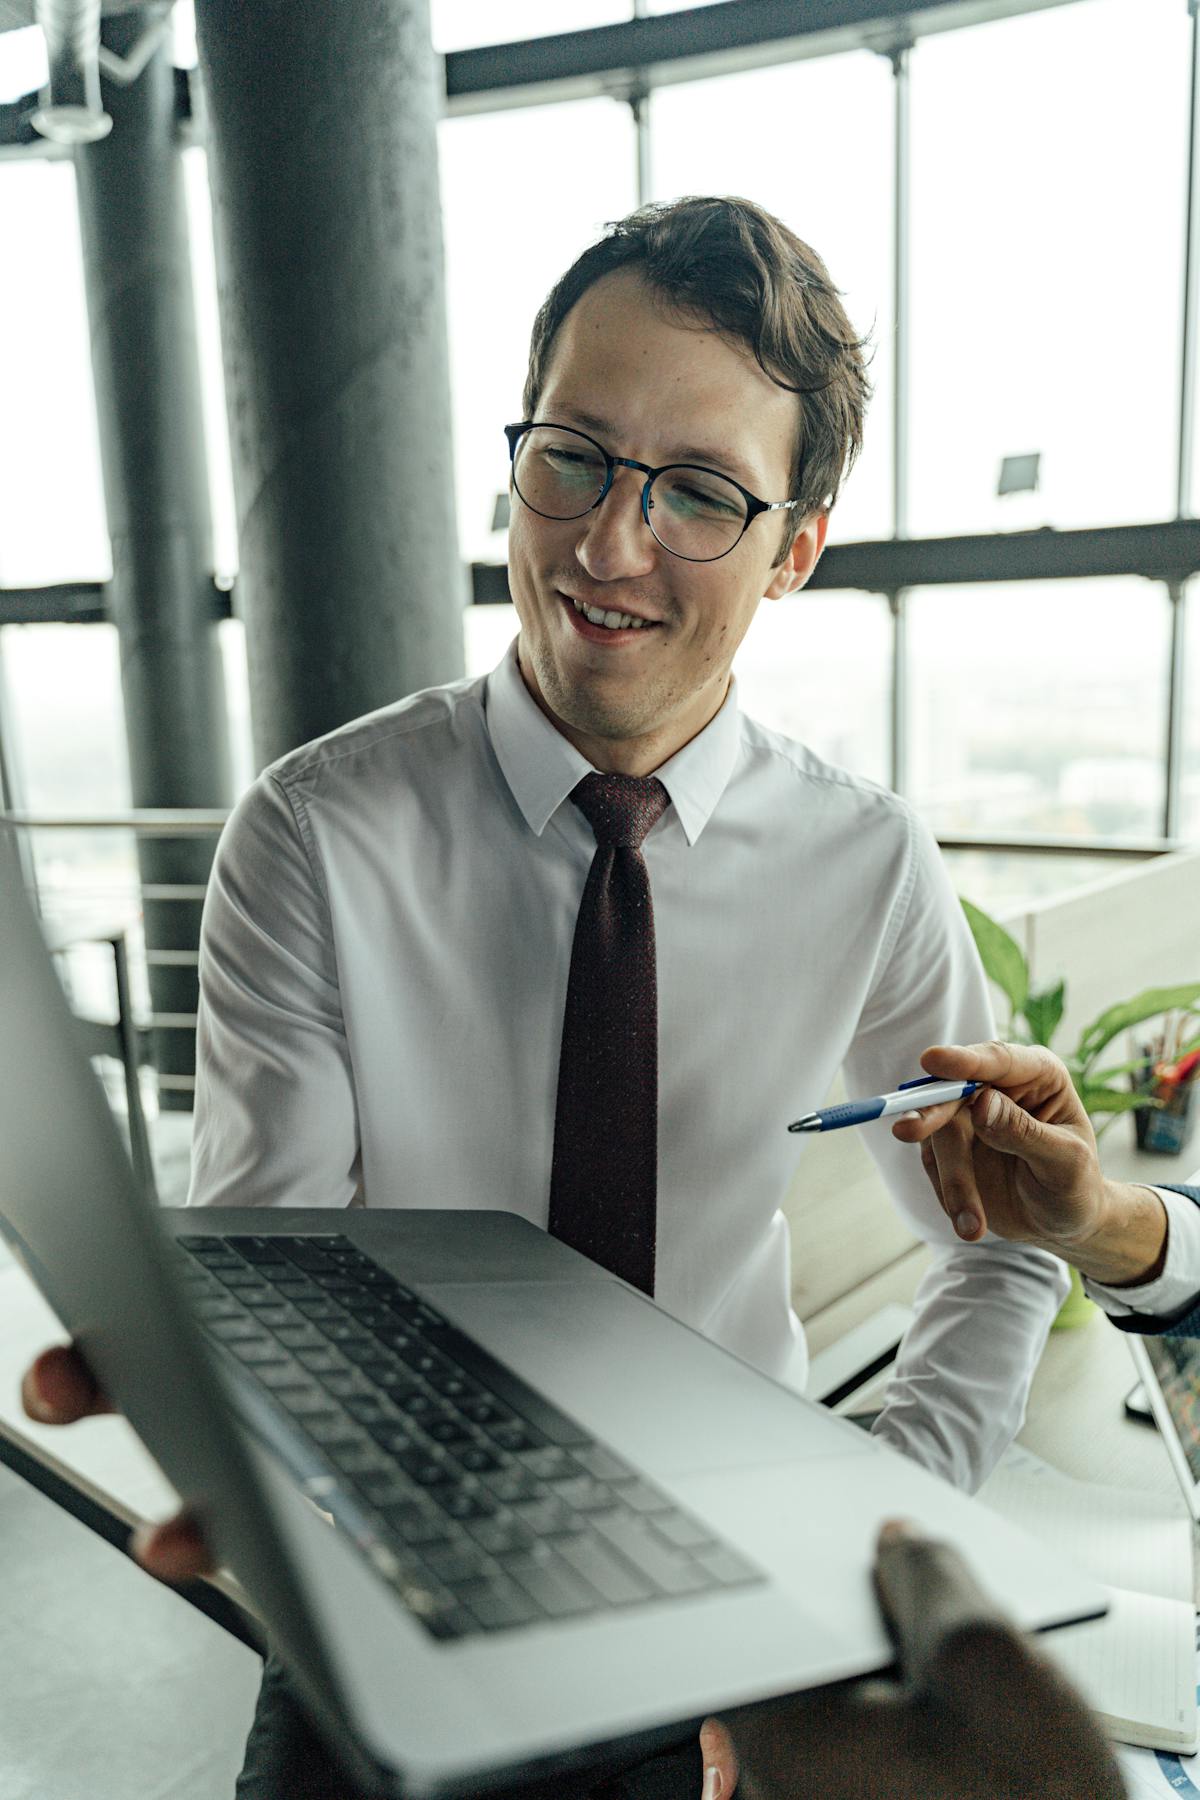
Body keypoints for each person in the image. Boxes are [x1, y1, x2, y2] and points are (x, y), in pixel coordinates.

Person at [23, 195, 1077, 1796]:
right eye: (572, 455)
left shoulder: (868, 867)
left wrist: (855, 1556)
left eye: (702, 494)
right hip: (394, 1600)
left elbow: (993, 1257)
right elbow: (271, 1253)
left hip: (739, 1616)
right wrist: (233, 1416)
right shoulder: (318, 831)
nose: (607, 542)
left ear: (795, 550)